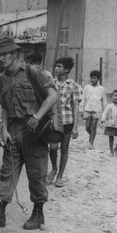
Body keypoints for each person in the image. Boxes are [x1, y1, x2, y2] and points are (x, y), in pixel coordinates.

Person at [0, 37, 58, 230]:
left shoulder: (34, 72)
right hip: (14, 128)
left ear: (15, 54)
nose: (1, 59)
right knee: (8, 171)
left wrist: (38, 117)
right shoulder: (3, 78)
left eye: (5, 54)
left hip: (34, 129)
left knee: (37, 173)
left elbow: (53, 96)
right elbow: (5, 106)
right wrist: (4, 129)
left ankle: (38, 214)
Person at [46, 57, 81, 187]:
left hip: (68, 121)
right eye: (56, 66)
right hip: (53, 121)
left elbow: (76, 106)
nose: (56, 68)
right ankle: (54, 168)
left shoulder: (73, 85)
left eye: (59, 66)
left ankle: (60, 176)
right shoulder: (51, 84)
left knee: (64, 149)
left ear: (66, 69)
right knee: (53, 147)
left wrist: (76, 127)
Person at [82, 70, 107, 150]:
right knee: (87, 127)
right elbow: (83, 99)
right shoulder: (86, 88)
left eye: (94, 78)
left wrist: (104, 112)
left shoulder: (101, 89)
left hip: (97, 109)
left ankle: (91, 143)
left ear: (98, 79)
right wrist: (81, 110)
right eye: (91, 78)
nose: (92, 80)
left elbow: (104, 101)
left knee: (94, 125)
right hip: (88, 109)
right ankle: (91, 135)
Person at [101, 89, 117, 157]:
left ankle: (116, 148)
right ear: (112, 97)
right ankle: (111, 151)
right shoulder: (109, 106)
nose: (116, 97)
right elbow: (105, 113)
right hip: (110, 124)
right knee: (111, 138)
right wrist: (103, 120)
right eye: (114, 96)